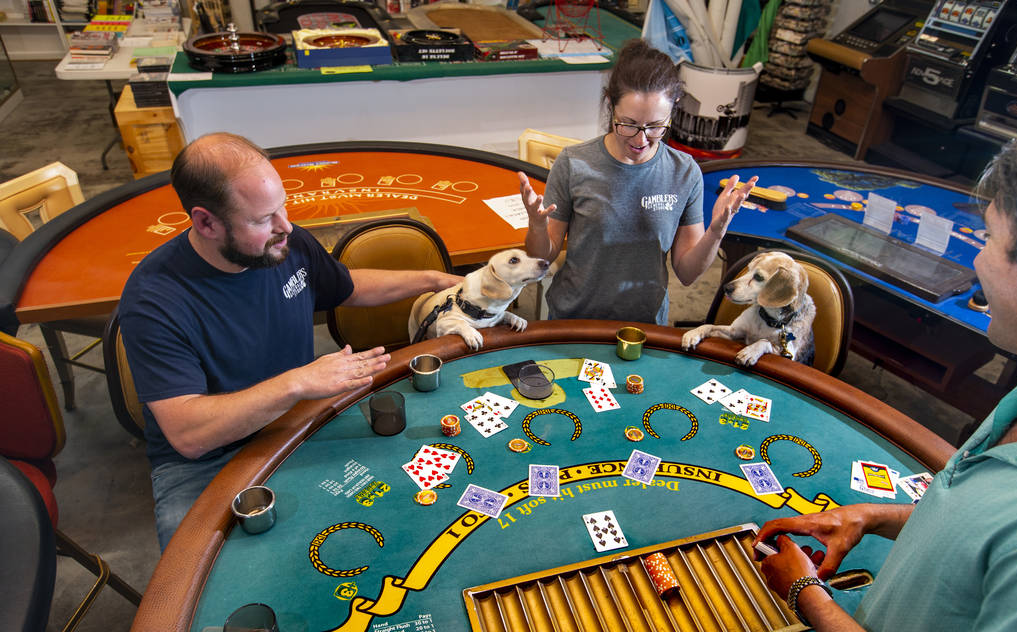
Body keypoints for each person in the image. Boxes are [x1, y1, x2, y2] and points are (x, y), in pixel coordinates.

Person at [753, 121, 1017, 632]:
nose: (978, 264)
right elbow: (977, 530)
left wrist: (807, 597)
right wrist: (874, 516)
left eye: (989, 238)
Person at [119, 132, 462, 550]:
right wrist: (299, 383)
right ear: (206, 222)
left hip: (298, 420)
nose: (285, 226)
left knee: (394, 520)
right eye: (263, 219)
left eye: (283, 207)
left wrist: (435, 280)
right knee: (192, 582)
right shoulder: (153, 299)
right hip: (207, 462)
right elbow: (191, 436)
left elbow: (348, 286)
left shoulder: (287, 242)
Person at [517, 38, 757, 325]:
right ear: (611, 105)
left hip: (645, 325)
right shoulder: (574, 162)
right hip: (575, 318)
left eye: (656, 126)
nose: (641, 140)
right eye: (628, 124)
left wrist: (716, 230)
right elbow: (541, 255)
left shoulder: (684, 172)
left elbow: (688, 273)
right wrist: (538, 226)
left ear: (674, 109)